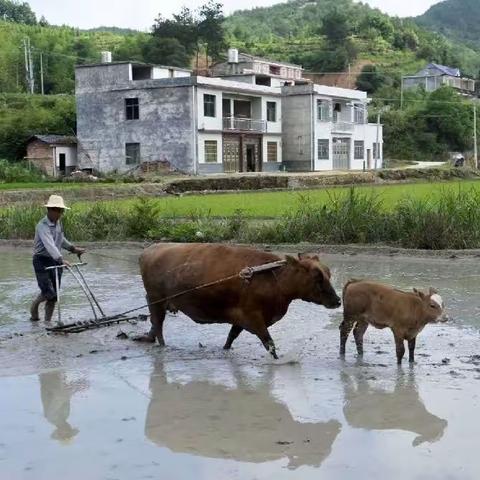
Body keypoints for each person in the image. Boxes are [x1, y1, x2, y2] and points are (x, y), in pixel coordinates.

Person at [30, 195, 85, 322]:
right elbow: (49, 244)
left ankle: (47, 323)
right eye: (58, 211)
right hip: (41, 260)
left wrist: (73, 249)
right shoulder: (42, 225)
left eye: (61, 211)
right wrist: (61, 259)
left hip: (54, 259)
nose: (60, 214)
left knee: (54, 295)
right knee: (48, 293)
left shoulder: (58, 223)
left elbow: (61, 240)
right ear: (50, 210)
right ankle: (35, 307)